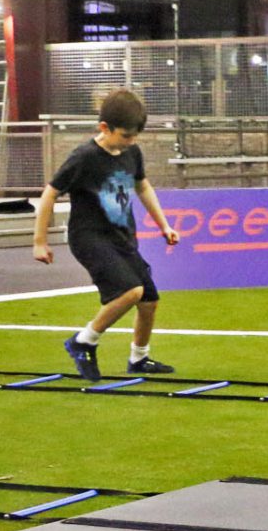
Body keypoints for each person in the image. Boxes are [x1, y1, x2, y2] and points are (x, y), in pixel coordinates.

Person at [31, 88, 181, 381]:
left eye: (135, 136)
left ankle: (139, 358)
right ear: (104, 128)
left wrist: (164, 225)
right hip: (90, 237)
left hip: (122, 237)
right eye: (125, 136)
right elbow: (50, 193)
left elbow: (143, 187)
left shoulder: (131, 152)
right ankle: (83, 341)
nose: (131, 141)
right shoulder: (85, 157)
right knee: (130, 291)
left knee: (148, 301)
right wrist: (39, 241)